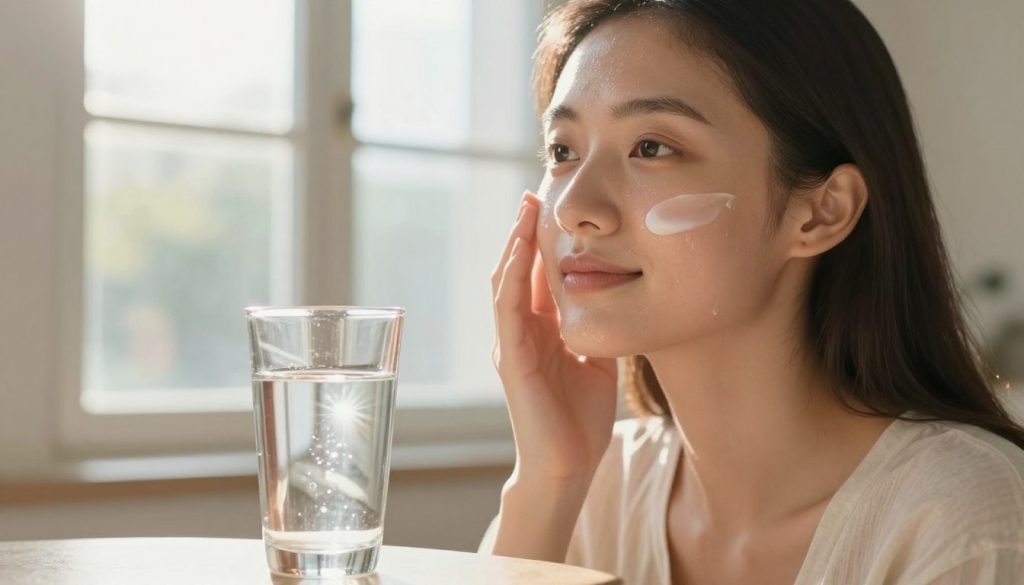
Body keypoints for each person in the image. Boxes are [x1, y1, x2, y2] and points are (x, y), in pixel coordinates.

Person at [475, 1, 1024, 584]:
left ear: (820, 212)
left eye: (653, 147)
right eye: (563, 151)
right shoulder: (594, 488)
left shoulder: (966, 522)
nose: (574, 207)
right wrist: (547, 481)